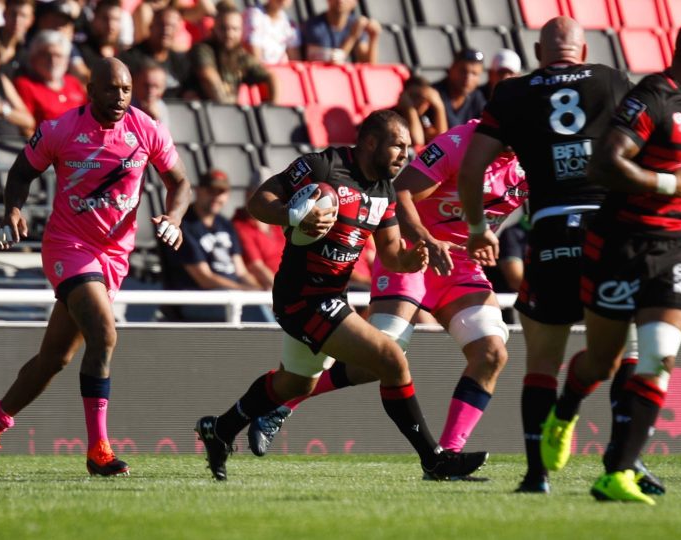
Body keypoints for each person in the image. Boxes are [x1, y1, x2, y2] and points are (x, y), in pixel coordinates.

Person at [193, 110, 487, 482]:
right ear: (369, 142)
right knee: (391, 359)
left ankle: (219, 429)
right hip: (302, 297)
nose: (405, 155)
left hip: (329, 297)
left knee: (298, 383)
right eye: (398, 145)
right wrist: (290, 215)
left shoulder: (384, 189)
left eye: (408, 148)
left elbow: (392, 254)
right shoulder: (322, 166)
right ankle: (435, 459)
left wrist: (412, 260)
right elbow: (258, 202)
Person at [249, 120, 527, 472]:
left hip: (459, 265)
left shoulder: (533, 159)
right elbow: (404, 191)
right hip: (411, 250)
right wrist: (427, 240)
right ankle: (284, 402)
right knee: (380, 359)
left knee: (491, 353)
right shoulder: (462, 142)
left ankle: (447, 454)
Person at [528, 17, 681, 505]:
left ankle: (615, 473)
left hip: (673, 248)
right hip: (620, 245)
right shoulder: (652, 96)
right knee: (602, 361)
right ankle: (567, 407)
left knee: (660, 358)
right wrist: (667, 186)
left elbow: (678, 164)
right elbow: (605, 162)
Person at [0, 58, 192, 476]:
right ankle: (98, 451)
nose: (119, 97)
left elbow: (180, 183)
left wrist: (173, 218)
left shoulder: (146, 129)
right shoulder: (61, 129)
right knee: (104, 333)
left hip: (114, 256)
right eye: (110, 89)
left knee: (53, 359)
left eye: (125, 90)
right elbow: (20, 173)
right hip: (67, 246)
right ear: (90, 91)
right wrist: (12, 210)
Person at [457, 16, 640, 496]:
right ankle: (623, 467)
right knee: (627, 354)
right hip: (608, 232)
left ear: (539, 51)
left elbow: (472, 167)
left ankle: (536, 475)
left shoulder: (513, 94)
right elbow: (649, 149)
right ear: (582, 51)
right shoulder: (611, 80)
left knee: (541, 361)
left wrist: (479, 230)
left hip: (552, 232)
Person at [161, 169, 264, 322]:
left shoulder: (225, 224)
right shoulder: (183, 226)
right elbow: (205, 278)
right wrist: (248, 292)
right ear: (197, 191)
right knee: (256, 311)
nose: (216, 197)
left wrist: (262, 293)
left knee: (271, 306)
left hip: (233, 297)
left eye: (221, 192)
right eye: (211, 191)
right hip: (198, 300)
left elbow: (241, 272)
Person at [190, 3, 277, 105]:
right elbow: (209, 78)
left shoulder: (241, 55)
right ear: (214, 29)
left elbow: (271, 77)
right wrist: (228, 108)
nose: (229, 34)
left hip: (229, 111)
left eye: (235, 29)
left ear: (241, 31)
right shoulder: (203, 49)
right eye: (223, 28)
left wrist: (272, 108)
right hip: (204, 109)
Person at [13, 29, 87, 124]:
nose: (52, 61)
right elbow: (27, 126)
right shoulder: (25, 85)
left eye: (58, 56)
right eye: (46, 55)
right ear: (33, 58)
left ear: (66, 60)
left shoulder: (73, 83)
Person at [118, 7, 192, 100]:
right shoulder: (130, 58)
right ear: (150, 26)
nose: (166, 30)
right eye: (161, 24)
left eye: (172, 26)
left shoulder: (181, 61)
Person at [232, 166, 287, 290]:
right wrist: (284, 292)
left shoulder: (277, 223)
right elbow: (256, 267)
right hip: (266, 292)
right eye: (259, 193)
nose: (265, 199)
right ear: (247, 194)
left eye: (269, 194)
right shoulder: (240, 226)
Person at [302, 0, 379, 64]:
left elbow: (368, 64)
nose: (340, 0)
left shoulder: (355, 24)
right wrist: (352, 37)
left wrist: (373, 37)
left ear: (355, 2)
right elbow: (332, 62)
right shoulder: (314, 26)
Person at [433, 49, 487, 129]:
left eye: (474, 73)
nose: (468, 78)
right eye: (463, 71)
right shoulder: (433, 94)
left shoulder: (477, 97)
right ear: (451, 68)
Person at [393, 75, 447, 148]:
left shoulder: (425, 117)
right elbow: (417, 142)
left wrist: (439, 107)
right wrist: (410, 109)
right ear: (403, 96)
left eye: (424, 98)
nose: (419, 102)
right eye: (414, 96)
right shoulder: (393, 116)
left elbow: (442, 141)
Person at [244, 0, 301, 65]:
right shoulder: (254, 14)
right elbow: (255, 58)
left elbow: (295, 60)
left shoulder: (290, 24)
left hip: (281, 71)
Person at [74, 0, 123, 74]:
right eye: (105, 19)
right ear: (94, 19)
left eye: (115, 19)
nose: (110, 25)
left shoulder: (125, 57)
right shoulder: (80, 52)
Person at [130, 60, 168, 128]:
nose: (150, 91)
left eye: (156, 86)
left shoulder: (161, 106)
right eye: (146, 85)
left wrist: (156, 119)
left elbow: (164, 136)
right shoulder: (125, 106)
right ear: (135, 83)